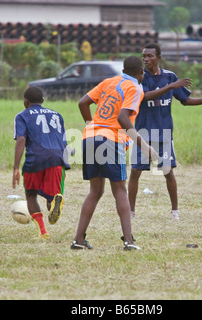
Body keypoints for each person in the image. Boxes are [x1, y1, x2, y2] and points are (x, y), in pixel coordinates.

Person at [128, 42, 202, 220]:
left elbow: (185, 100)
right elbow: (144, 97)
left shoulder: (170, 76)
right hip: (142, 133)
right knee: (135, 172)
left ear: (158, 57)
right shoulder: (139, 78)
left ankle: (175, 212)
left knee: (168, 172)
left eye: (150, 56)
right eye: (144, 56)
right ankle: (131, 212)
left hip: (164, 133)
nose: (146, 59)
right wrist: (170, 87)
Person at [71, 56, 157, 251]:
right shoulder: (136, 88)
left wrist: (92, 126)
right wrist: (144, 146)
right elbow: (123, 118)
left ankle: (78, 239)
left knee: (95, 191)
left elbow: (83, 103)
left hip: (90, 136)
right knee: (119, 190)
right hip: (111, 139)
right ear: (140, 73)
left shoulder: (108, 81)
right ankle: (129, 241)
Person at [12, 86, 70, 239]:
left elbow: (21, 139)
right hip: (57, 157)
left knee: (31, 194)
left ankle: (43, 232)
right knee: (53, 194)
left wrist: (16, 168)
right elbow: (62, 140)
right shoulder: (57, 115)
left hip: (35, 158)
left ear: (25, 102)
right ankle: (55, 201)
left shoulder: (22, 116)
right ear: (43, 100)